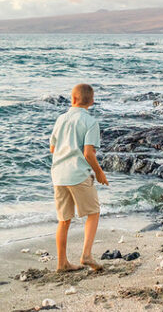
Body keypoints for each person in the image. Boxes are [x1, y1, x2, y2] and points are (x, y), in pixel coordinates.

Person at [49, 83, 108, 272]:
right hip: (78, 174)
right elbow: (88, 153)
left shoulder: (60, 119)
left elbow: (52, 148)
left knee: (64, 220)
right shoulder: (90, 122)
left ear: (72, 99)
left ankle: (62, 263)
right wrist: (99, 172)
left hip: (58, 174)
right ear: (91, 102)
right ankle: (86, 255)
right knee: (93, 212)